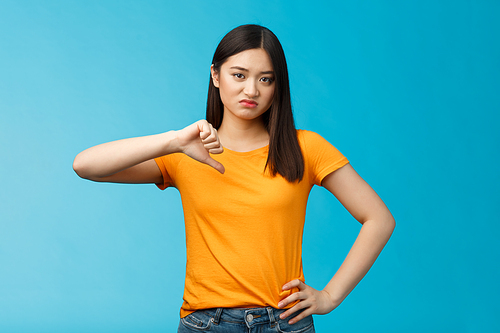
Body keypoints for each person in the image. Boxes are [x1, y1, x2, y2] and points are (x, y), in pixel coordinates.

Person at [73, 24, 395, 333]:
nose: (251, 90)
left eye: (265, 79)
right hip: (206, 323)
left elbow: (379, 219)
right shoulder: (187, 152)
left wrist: (329, 296)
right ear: (215, 75)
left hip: (283, 323)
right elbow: (86, 165)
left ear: (277, 85)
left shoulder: (305, 148)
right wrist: (172, 141)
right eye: (239, 75)